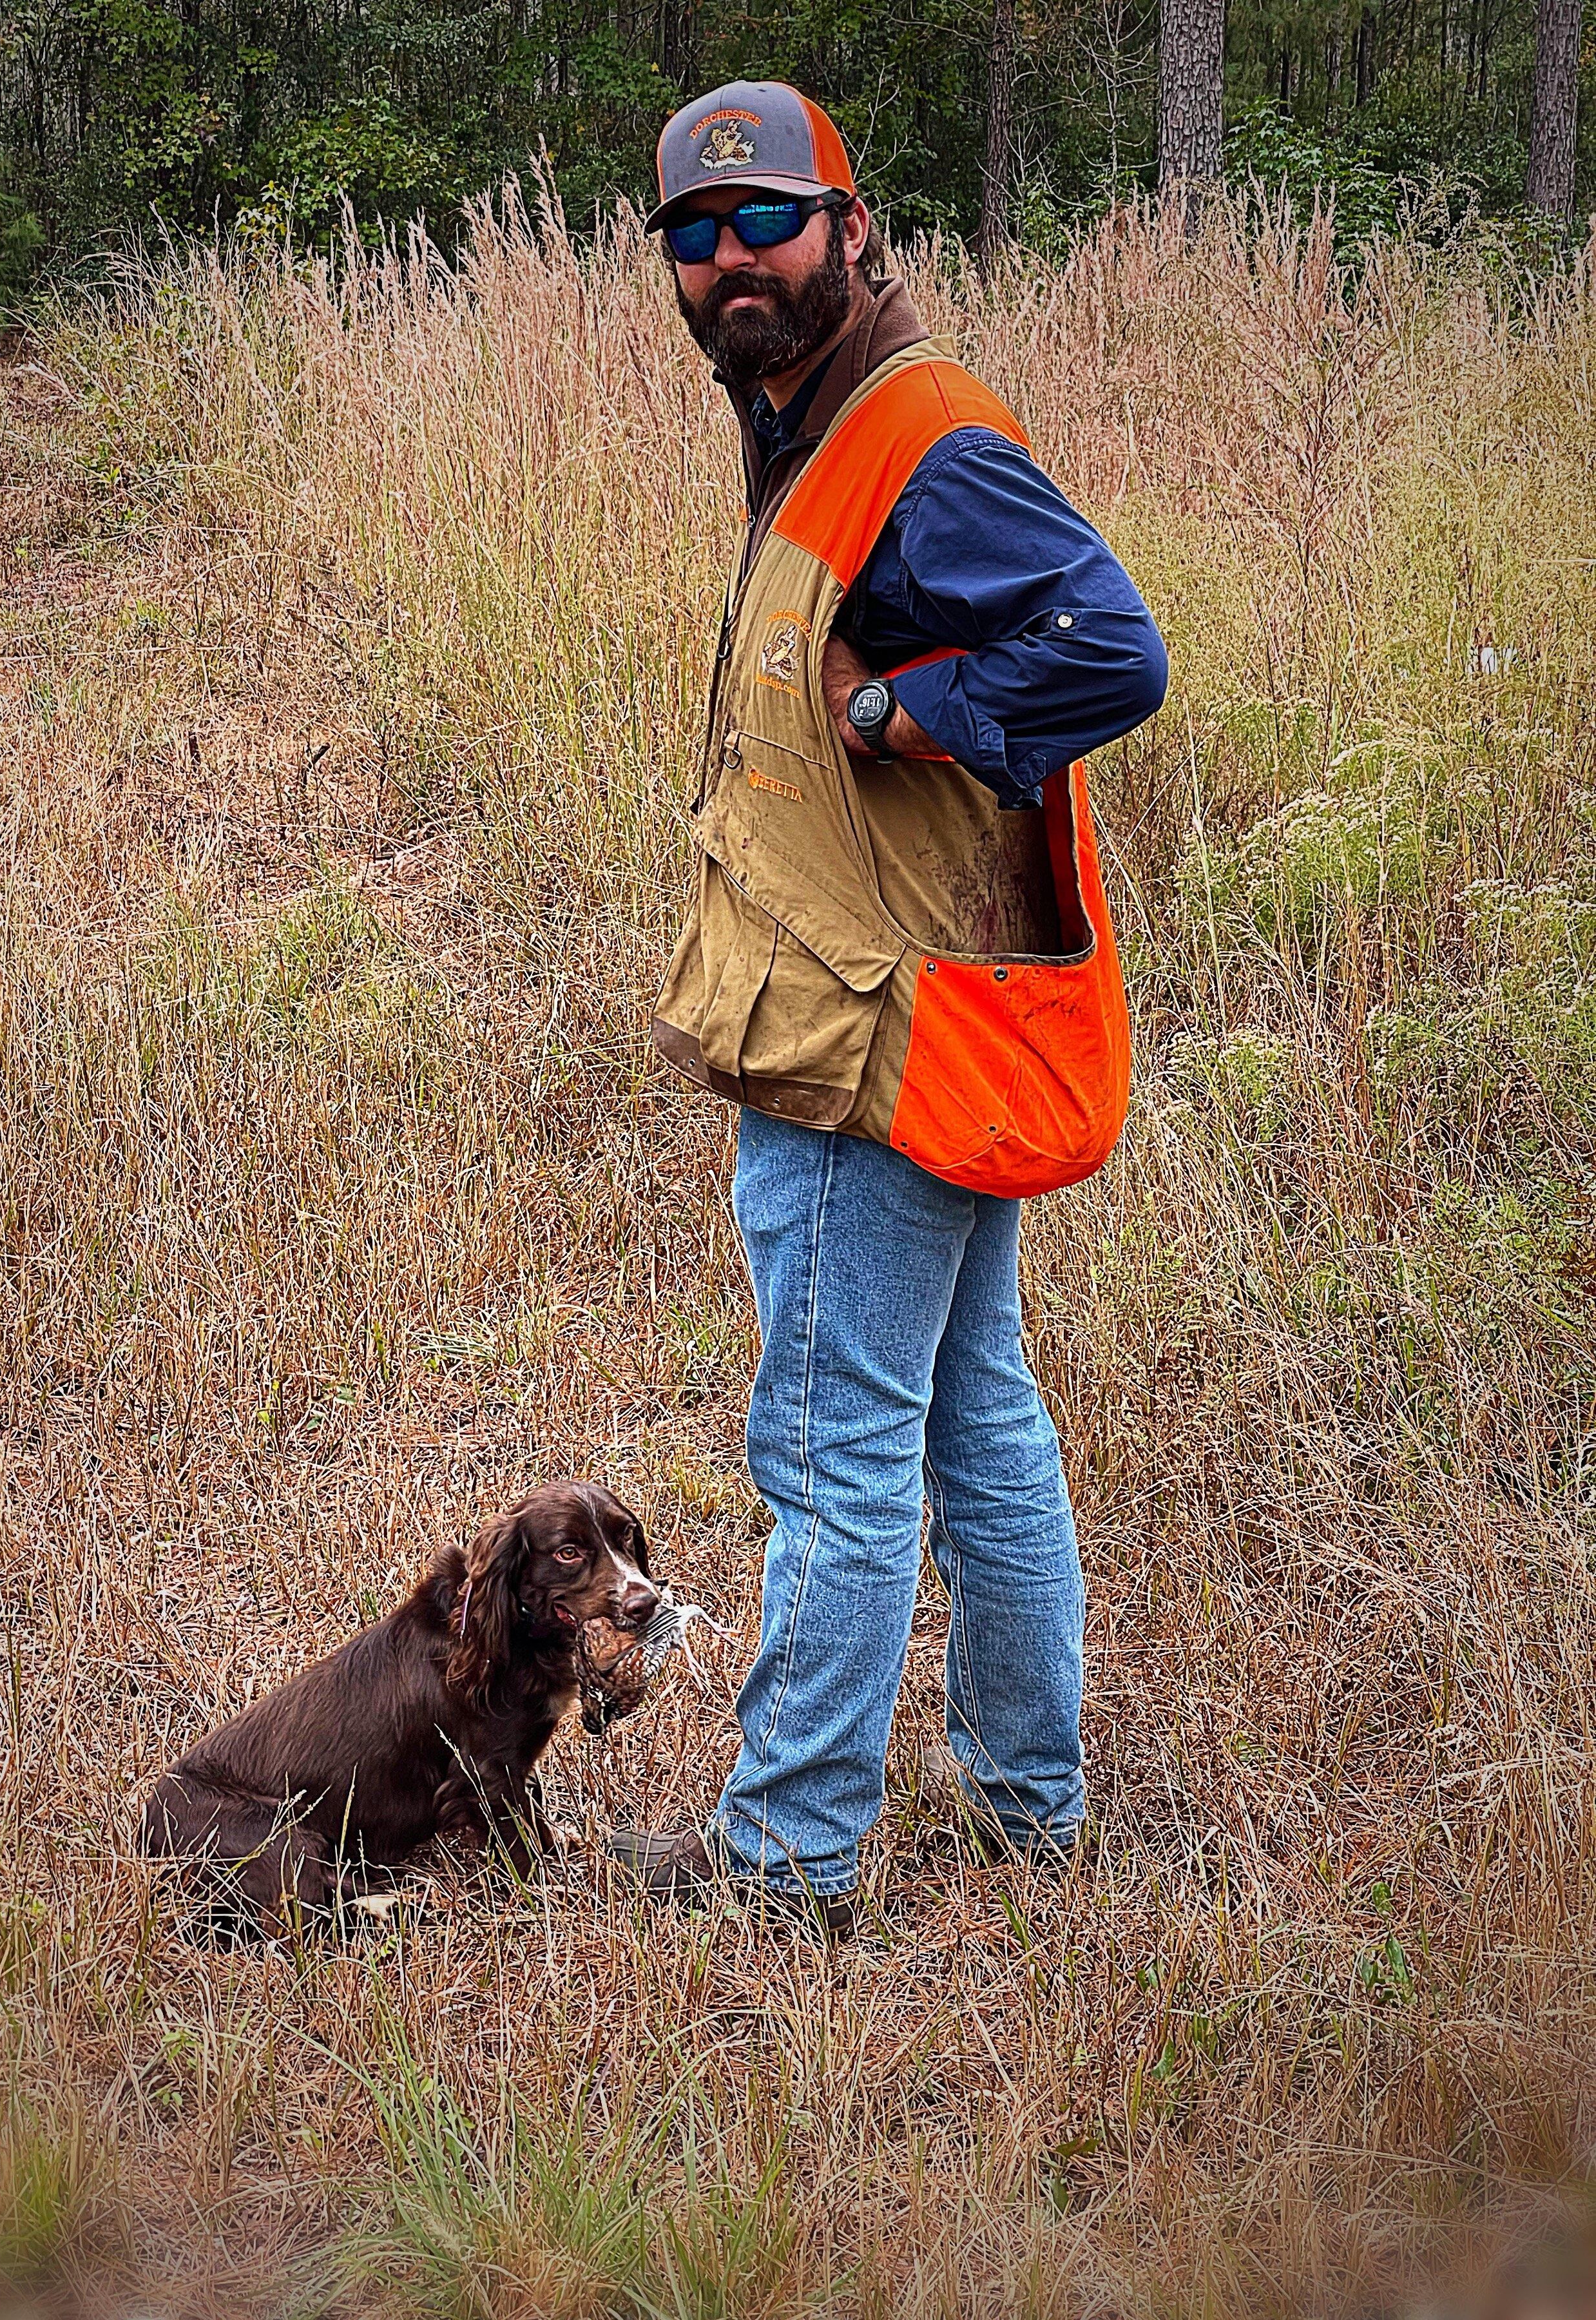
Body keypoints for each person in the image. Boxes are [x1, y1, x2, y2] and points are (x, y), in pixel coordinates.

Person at [608, 81, 1168, 1937]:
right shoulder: (823, 420)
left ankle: (785, 1862)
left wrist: (884, 715)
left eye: (765, 221)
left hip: (871, 1043)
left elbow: (1107, 643)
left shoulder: (920, 438)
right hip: (907, 1011)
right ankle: (1027, 1807)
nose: (727, 260)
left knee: (835, 1457)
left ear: (855, 229)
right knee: (971, 1420)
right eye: (693, 235)